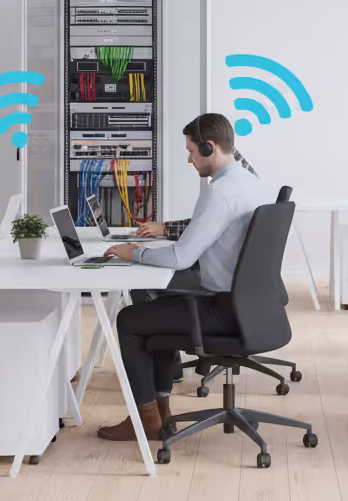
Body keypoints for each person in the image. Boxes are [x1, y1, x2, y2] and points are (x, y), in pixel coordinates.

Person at [96, 113, 270, 443]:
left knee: (130, 320)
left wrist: (133, 252)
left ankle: (147, 417)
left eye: (191, 150)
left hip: (224, 311)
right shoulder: (251, 183)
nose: (189, 158)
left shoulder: (218, 192)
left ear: (210, 147)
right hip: (250, 305)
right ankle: (160, 414)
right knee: (156, 314)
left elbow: (181, 257)